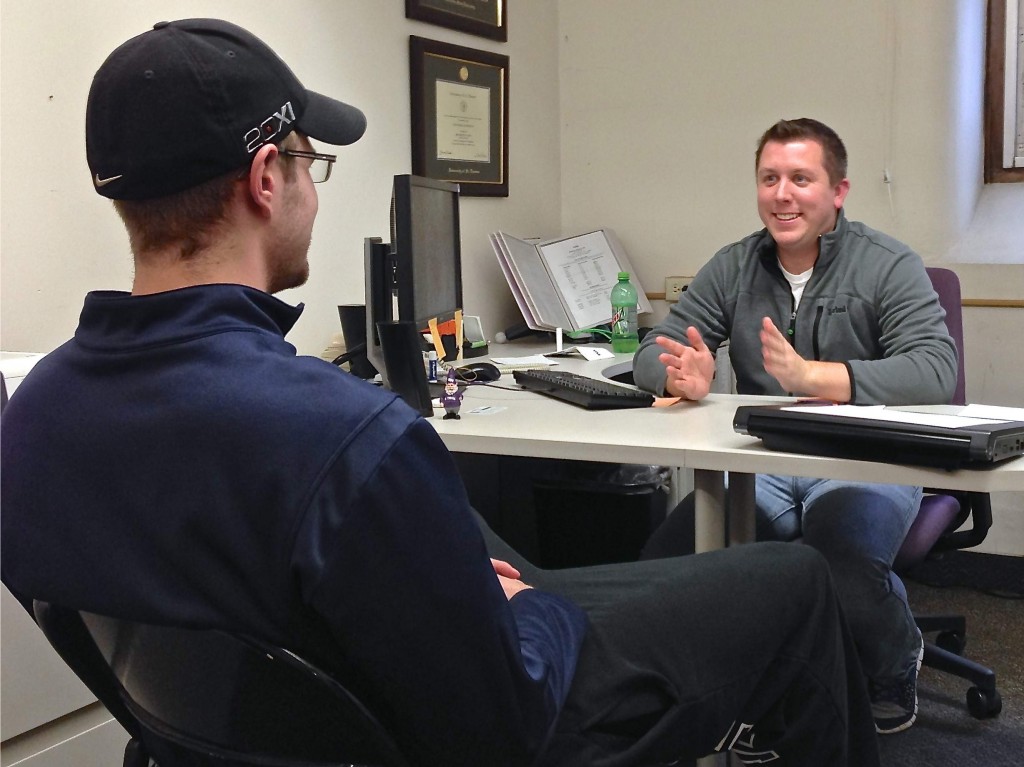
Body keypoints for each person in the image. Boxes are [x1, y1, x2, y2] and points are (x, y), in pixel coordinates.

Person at [0, 23, 880, 767]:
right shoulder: (346, 438)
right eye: (310, 161)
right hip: (506, 720)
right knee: (796, 578)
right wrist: (523, 608)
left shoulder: (32, 416)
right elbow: (505, 725)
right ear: (267, 179)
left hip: (277, 728)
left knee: (490, 537)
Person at [633, 118, 958, 735]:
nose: (782, 194)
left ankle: (894, 656)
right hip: (766, 457)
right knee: (674, 556)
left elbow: (935, 371)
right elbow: (658, 344)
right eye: (770, 178)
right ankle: (739, 685)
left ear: (838, 191)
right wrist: (680, 376)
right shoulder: (735, 265)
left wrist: (816, 378)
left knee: (841, 560)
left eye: (801, 179)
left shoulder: (887, 264)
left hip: (869, 458)